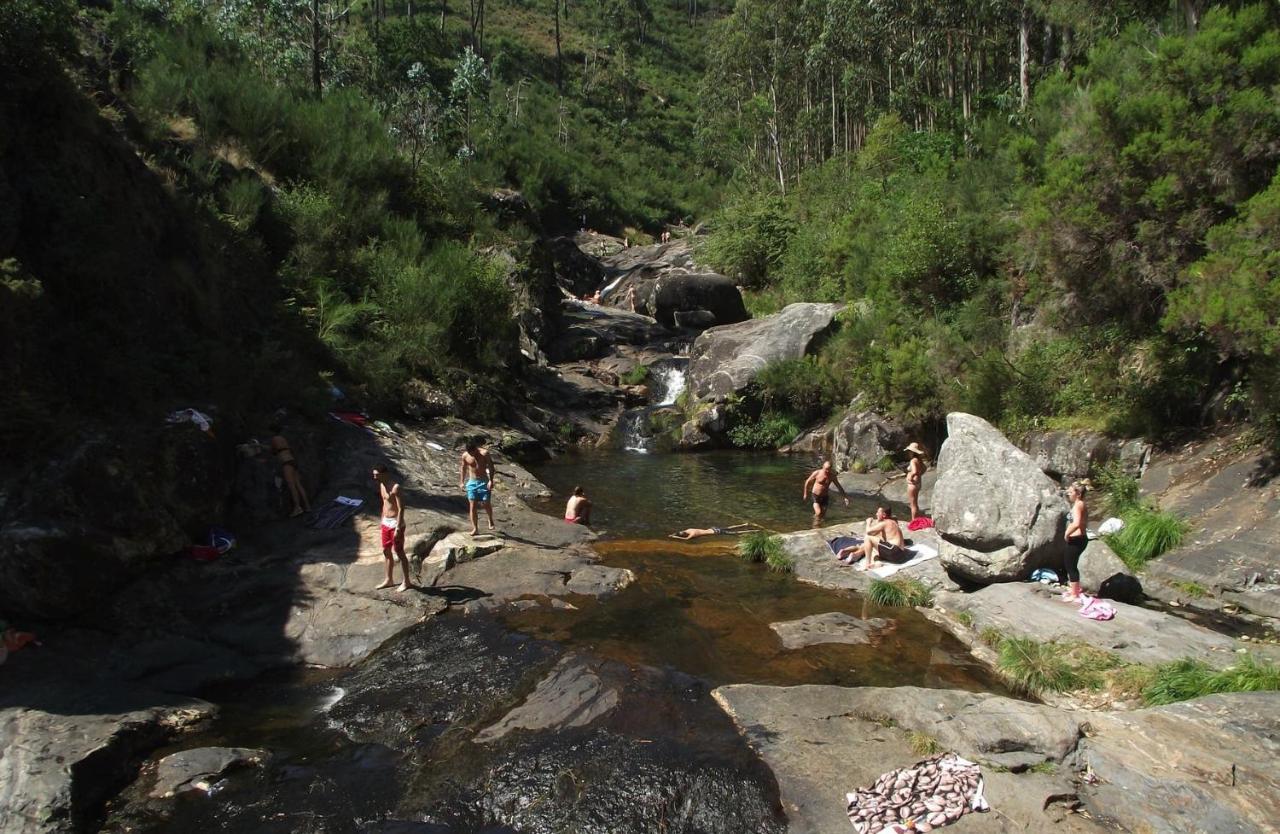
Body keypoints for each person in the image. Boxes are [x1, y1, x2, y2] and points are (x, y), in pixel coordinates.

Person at [372, 463, 414, 592]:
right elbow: (385, 504)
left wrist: (398, 527)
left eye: (377, 475)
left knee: (400, 552)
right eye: (374, 475)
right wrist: (382, 520)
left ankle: (406, 581)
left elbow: (401, 508)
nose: (375, 478)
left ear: (384, 474)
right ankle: (389, 579)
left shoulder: (395, 488)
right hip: (385, 522)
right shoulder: (381, 485)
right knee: (386, 551)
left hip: (395, 524)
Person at [837, 507, 906, 569]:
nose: (876, 514)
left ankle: (867, 563)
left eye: (878, 512)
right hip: (899, 554)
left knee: (868, 538)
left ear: (884, 515)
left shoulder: (885, 523)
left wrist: (868, 523)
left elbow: (868, 532)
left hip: (894, 550)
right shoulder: (893, 522)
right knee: (871, 546)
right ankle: (874, 562)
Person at [270, 424, 310, 517]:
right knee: (298, 485)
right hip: (292, 460)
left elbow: (272, 451)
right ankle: (307, 506)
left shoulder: (274, 439)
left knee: (291, 486)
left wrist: (259, 446)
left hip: (286, 462)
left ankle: (297, 508)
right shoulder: (283, 439)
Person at [460, 440, 496, 535]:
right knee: (472, 506)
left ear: (476, 448)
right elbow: (463, 468)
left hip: (484, 481)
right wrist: (462, 482)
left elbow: (491, 467)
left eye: (473, 452)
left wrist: (491, 480)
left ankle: (490, 519)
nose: (472, 454)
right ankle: (475, 528)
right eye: (470, 452)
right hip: (472, 482)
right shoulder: (465, 456)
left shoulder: (484, 453)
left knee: (486, 503)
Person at [1061, 483, 1089, 602]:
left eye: (1071, 492)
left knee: (1070, 565)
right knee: (1071, 564)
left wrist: (1067, 533)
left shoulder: (1078, 505)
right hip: (1079, 539)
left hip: (1077, 540)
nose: (1068, 494)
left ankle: (1075, 594)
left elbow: (1076, 523)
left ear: (1078, 494)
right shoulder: (1080, 504)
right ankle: (1075, 589)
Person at [904, 442, 928, 520]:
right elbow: (924, 468)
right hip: (918, 483)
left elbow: (914, 471)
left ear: (912, 452)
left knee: (912, 504)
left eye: (909, 451)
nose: (908, 453)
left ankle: (914, 521)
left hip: (912, 484)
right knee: (915, 503)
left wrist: (910, 477)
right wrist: (919, 474)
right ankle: (916, 518)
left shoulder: (913, 461)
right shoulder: (919, 460)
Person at [669, 523, 757, 540]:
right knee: (729, 527)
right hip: (713, 528)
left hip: (715, 532)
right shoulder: (689, 529)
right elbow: (681, 532)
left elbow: (687, 539)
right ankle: (744, 524)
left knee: (734, 533)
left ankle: (752, 531)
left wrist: (675, 537)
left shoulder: (692, 534)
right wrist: (673, 534)